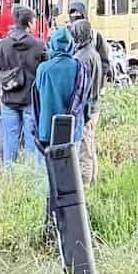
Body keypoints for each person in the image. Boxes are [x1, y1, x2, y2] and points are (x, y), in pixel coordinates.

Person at [0, 5, 47, 167]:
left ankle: (10, 179)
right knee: (32, 143)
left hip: (9, 99)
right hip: (30, 99)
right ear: (29, 23)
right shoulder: (38, 45)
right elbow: (46, 70)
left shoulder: (3, 44)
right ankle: (29, 180)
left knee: (10, 142)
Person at [32, 27, 89, 152]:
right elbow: (86, 100)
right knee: (72, 168)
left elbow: (37, 98)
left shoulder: (44, 69)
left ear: (52, 44)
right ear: (70, 45)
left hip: (47, 130)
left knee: (46, 169)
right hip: (73, 129)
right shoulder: (80, 68)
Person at [68, 18, 104, 186]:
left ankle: (85, 184)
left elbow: (81, 89)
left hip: (87, 108)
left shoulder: (82, 57)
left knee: (85, 149)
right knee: (90, 145)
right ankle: (93, 180)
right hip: (95, 105)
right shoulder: (93, 52)